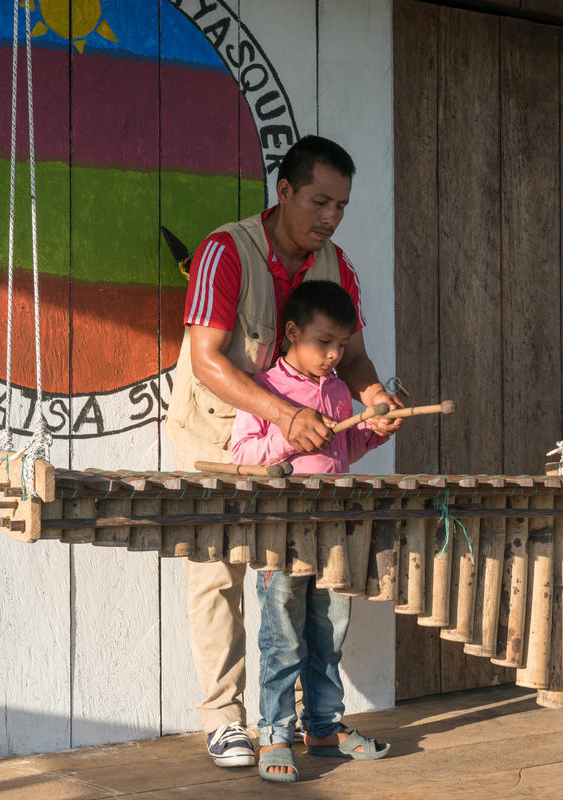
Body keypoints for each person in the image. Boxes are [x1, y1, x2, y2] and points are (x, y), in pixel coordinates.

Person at [163, 135, 402, 768]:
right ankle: (223, 719)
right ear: (285, 191)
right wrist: (287, 414)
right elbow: (207, 360)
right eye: (319, 200)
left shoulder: (338, 266)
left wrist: (376, 398)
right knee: (217, 573)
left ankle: (313, 724)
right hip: (218, 435)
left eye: (342, 206)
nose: (330, 217)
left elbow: (351, 357)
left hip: (300, 454)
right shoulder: (224, 252)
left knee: (308, 589)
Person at [230, 280, 393, 782]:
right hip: (281, 535)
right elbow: (241, 456)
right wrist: (287, 438)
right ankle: (275, 733)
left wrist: (372, 431)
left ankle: (322, 725)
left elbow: (340, 455)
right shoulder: (267, 391)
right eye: (323, 342)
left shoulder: (342, 392)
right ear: (293, 333)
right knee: (282, 639)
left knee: (329, 635)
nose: (334, 355)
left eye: (341, 345)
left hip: (334, 535)